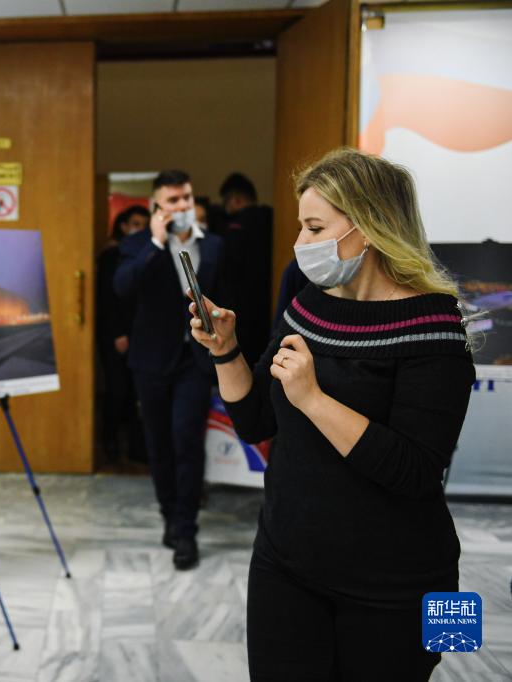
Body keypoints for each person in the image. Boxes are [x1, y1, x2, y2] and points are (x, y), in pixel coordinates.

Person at [189, 148, 474, 681]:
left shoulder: (436, 328)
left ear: (369, 227)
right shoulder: (307, 301)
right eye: (302, 226)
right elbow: (256, 421)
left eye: (315, 227)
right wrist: (225, 352)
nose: (301, 242)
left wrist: (314, 400)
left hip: (395, 585)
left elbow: (415, 470)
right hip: (285, 562)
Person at [114, 169, 226, 570]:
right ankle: (169, 515)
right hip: (151, 360)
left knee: (187, 441)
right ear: (156, 207)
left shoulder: (214, 245)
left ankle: (186, 529)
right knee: (158, 444)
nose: (182, 207)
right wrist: (156, 242)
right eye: (173, 201)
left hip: (194, 360)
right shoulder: (137, 245)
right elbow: (123, 287)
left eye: (187, 199)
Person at [96, 205, 147, 464]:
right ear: (124, 226)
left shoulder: (148, 253)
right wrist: (118, 333)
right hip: (115, 334)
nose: (140, 230)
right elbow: (107, 298)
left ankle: (136, 447)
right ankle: (110, 442)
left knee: (136, 393)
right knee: (116, 390)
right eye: (135, 224)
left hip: (140, 334)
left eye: (144, 225)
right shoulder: (112, 255)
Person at [218, 172, 274, 365]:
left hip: (242, 309)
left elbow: (228, 274)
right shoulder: (274, 219)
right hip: (271, 303)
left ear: (235, 200)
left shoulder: (236, 227)